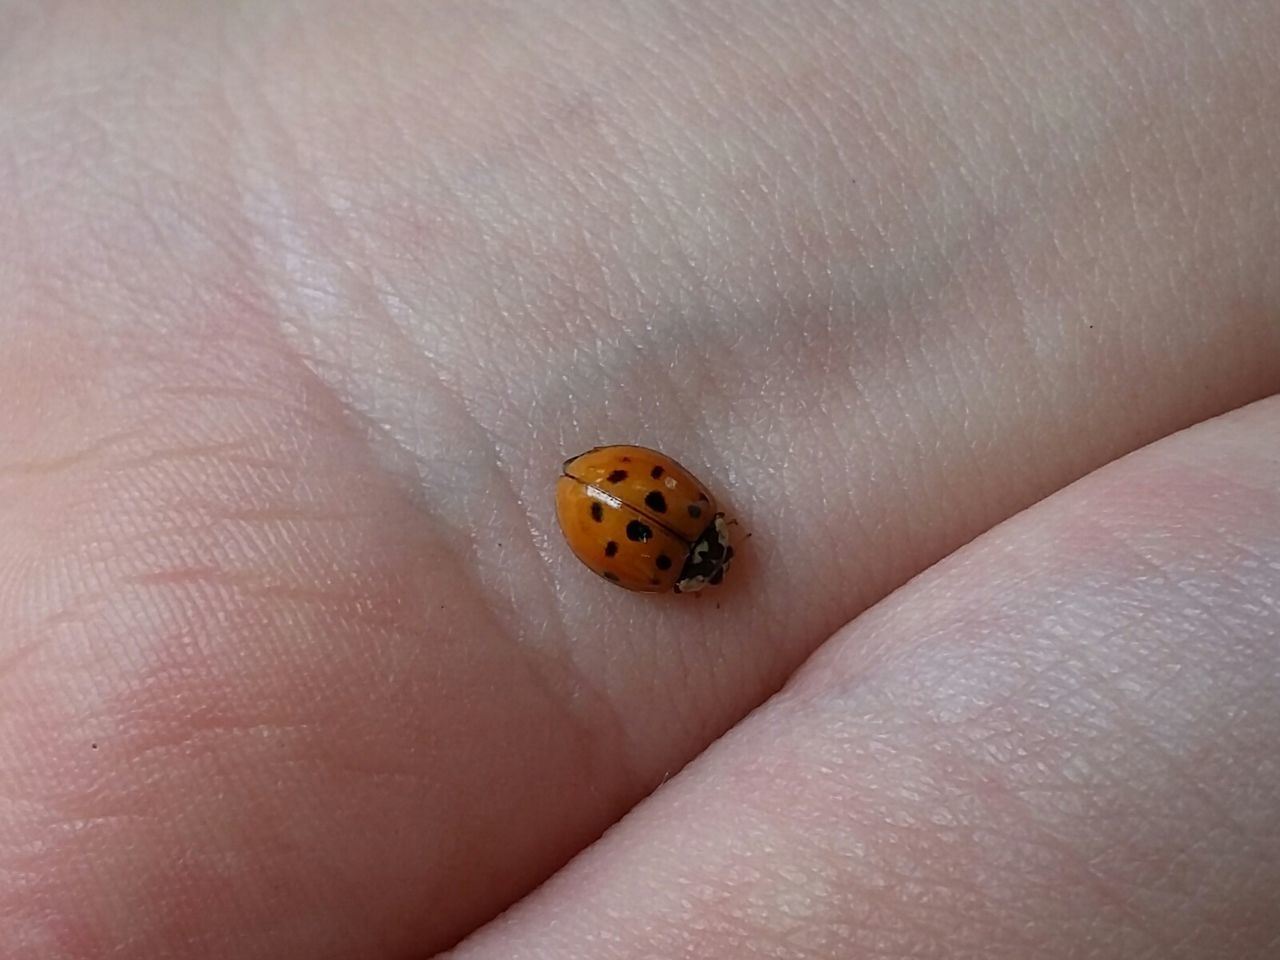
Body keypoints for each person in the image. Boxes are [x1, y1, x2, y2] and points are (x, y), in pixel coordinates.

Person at [2, 2, 1278, 957]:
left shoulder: (669, 529)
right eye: (694, 545)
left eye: (691, 544)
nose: (691, 546)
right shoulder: (660, 528)